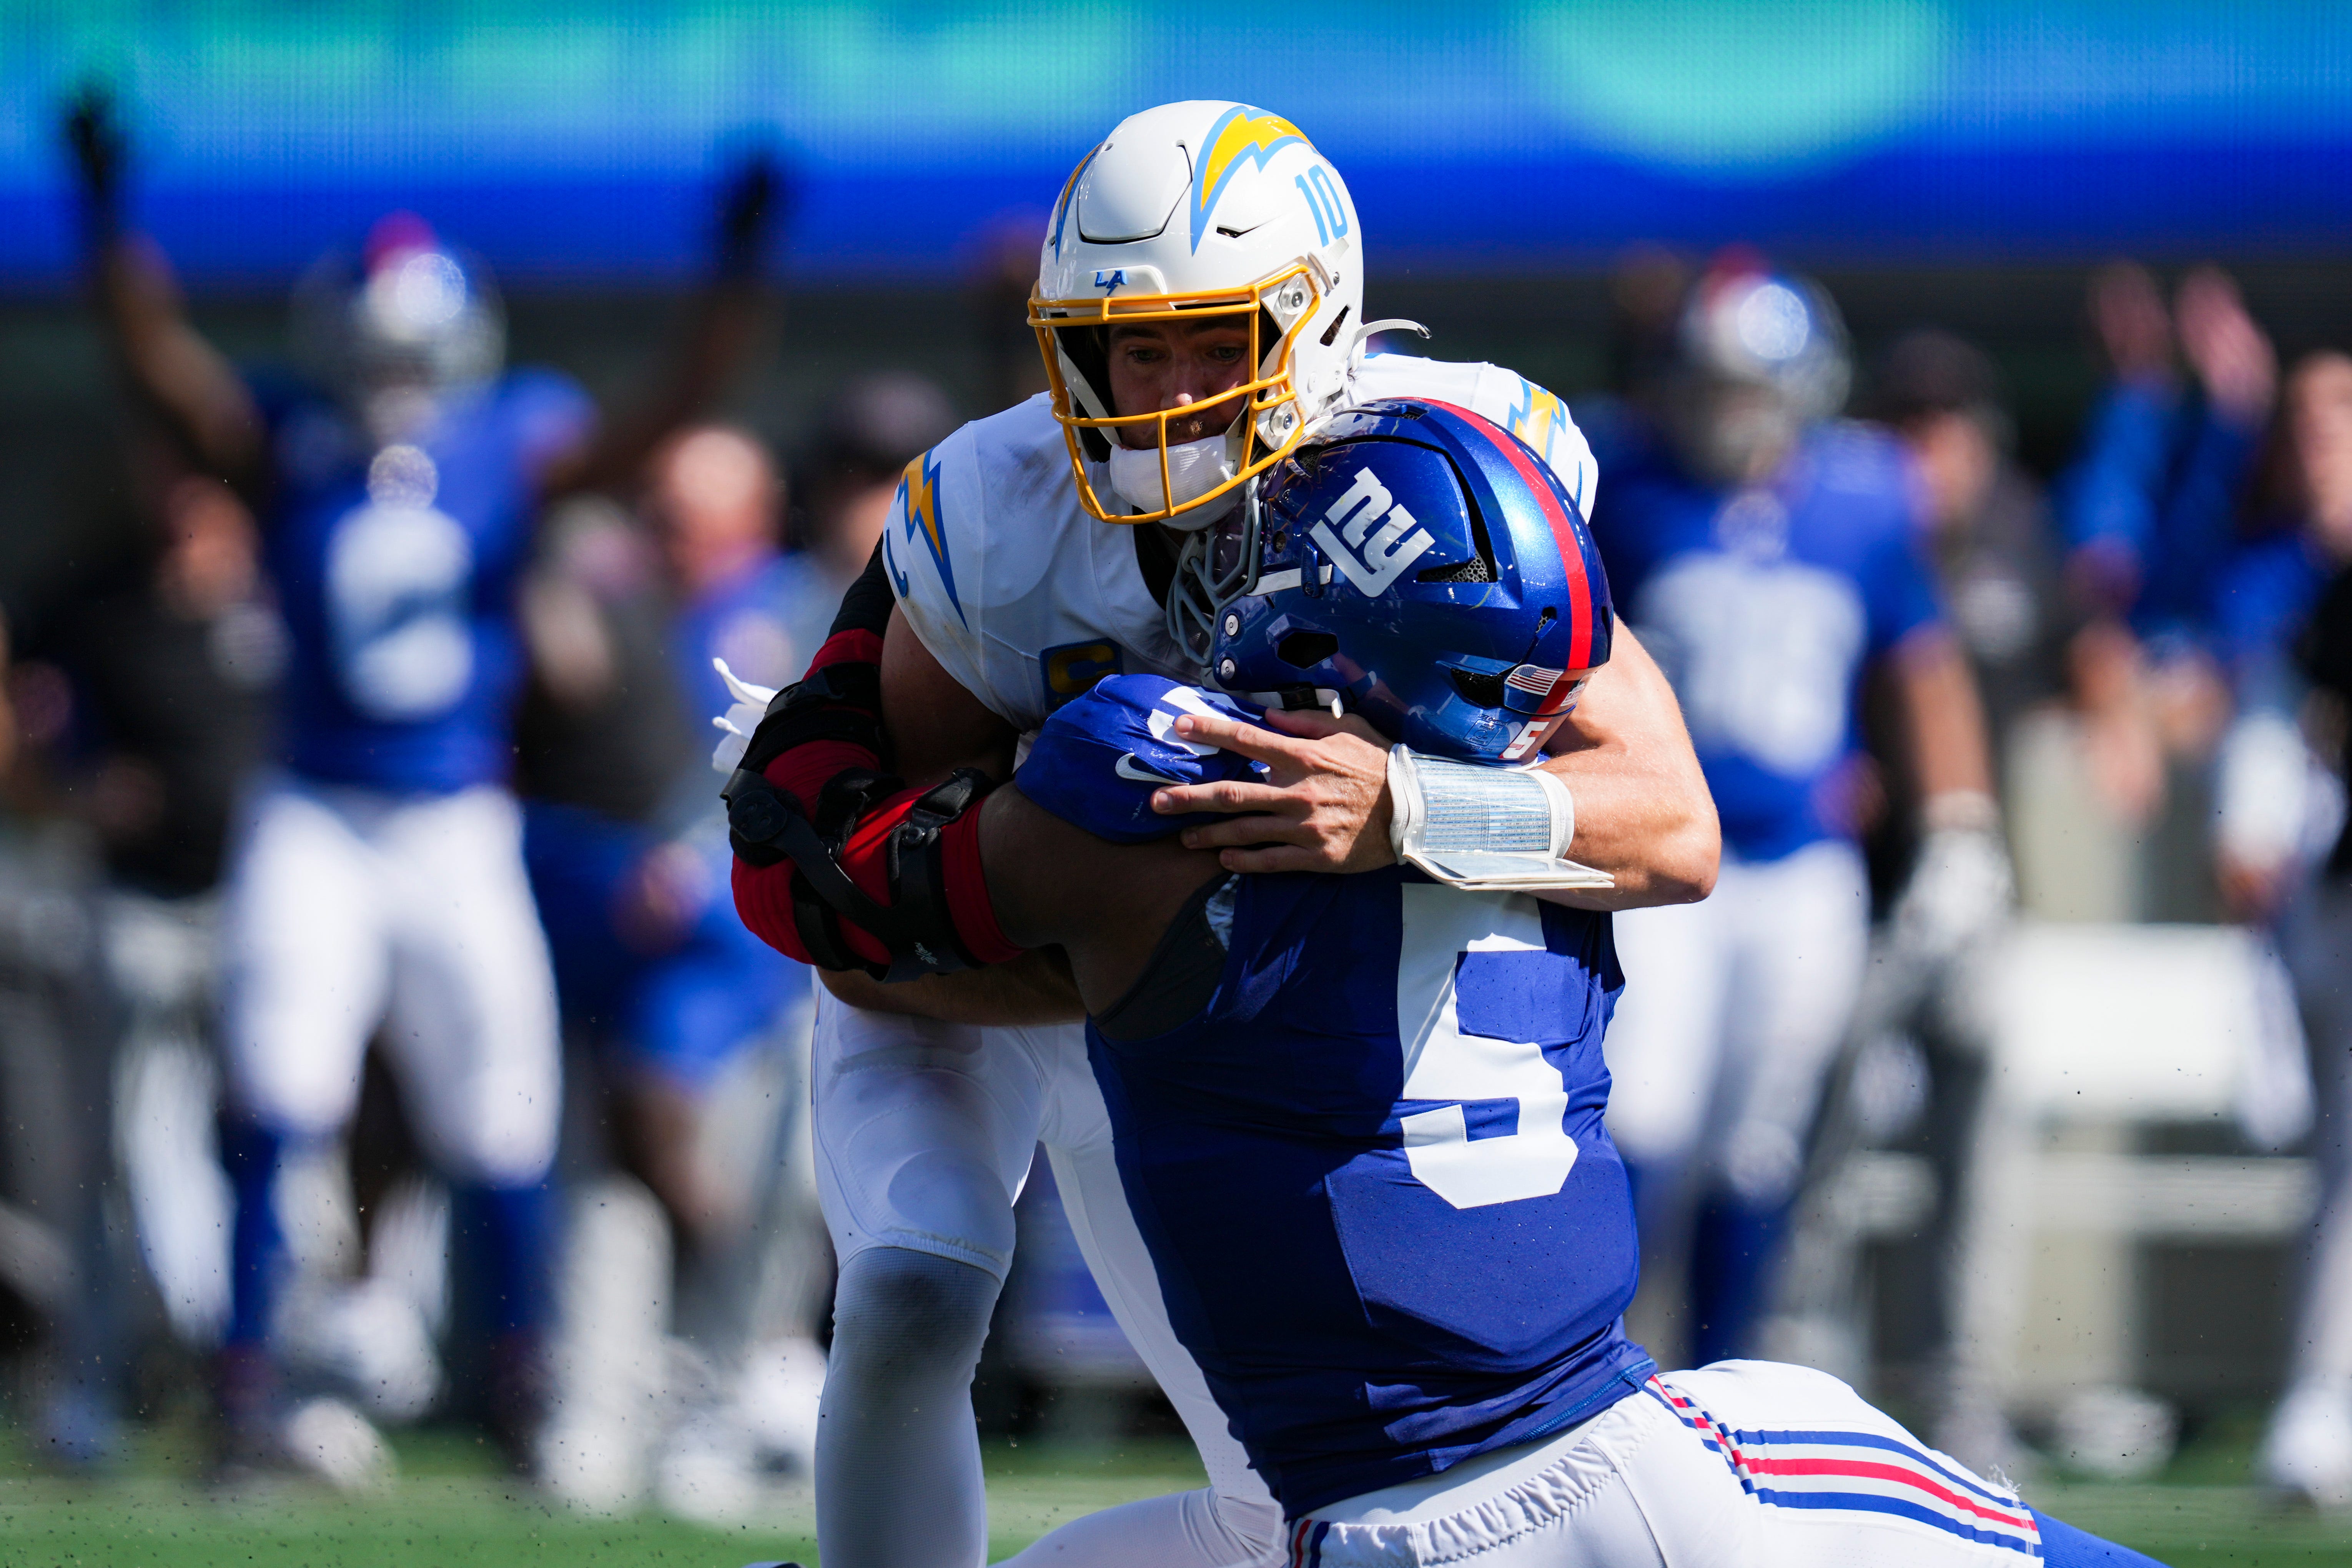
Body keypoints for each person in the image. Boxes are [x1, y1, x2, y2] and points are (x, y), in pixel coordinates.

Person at [758, 399, 2160, 1567]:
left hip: (1344, 1527)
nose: (1532, 715)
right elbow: (1665, 830)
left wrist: (815, 757)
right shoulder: (1559, 814)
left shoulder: (1140, 797)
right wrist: (1426, 816)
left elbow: (861, 940)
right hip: (1635, 1477)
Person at [719, 101, 1715, 1568]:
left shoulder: (1442, 480)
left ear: (1311, 331)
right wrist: (1122, 953)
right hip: (1036, 955)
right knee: (911, 1290)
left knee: (1280, 1482)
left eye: (1214, 342)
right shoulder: (998, 511)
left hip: (1256, 1008)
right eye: (1137, 349)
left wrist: (1409, 809)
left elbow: (1672, 827)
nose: (1173, 394)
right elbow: (892, 920)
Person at [62, 84, 780, 1483]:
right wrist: (103, 219)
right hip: (318, 804)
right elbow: (158, 368)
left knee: (501, 1099)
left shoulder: (514, 440)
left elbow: (676, 403)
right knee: (281, 1085)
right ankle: (250, 1390)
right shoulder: (287, 443)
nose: (394, 374)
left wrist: (739, 266)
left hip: (456, 811)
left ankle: (516, 1387)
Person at [1584, 261, 2008, 1372]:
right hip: (1663, 864)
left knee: (1759, 1147)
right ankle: (1592, 1376)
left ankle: (1725, 1386)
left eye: (1746, 387)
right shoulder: (1624, 491)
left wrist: (1959, 824)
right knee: (1644, 1119)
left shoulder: (1865, 500)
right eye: (1708, 385)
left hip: (1804, 870)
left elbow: (1922, 668)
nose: (1726, 412)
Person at [518, 425, 827, 1515]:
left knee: (704, 1160)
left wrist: (699, 864)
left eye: (683, 512)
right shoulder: (625, 599)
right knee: (603, 1178)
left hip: (738, 953)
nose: (663, 530)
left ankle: (745, 1366)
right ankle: (599, 1410)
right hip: (612, 931)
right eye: (654, 507)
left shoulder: (796, 605)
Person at [2200, 351, 2352, 1506]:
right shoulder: (2265, 574)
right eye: (2307, 417)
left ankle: (2320, 1406)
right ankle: (2317, 1405)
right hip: (2319, 898)